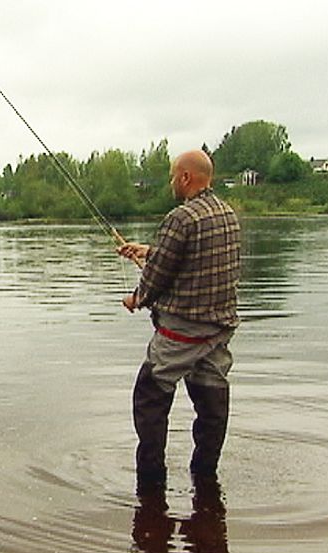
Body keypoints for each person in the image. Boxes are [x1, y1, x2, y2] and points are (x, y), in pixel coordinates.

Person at [117, 149, 241, 488]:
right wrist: (148, 251)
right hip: (219, 331)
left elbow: (156, 279)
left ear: (185, 177)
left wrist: (136, 299)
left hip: (182, 332)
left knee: (149, 396)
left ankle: (151, 483)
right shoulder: (227, 214)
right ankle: (205, 477)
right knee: (211, 404)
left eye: (174, 176)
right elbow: (190, 259)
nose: (172, 182)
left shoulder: (181, 218)